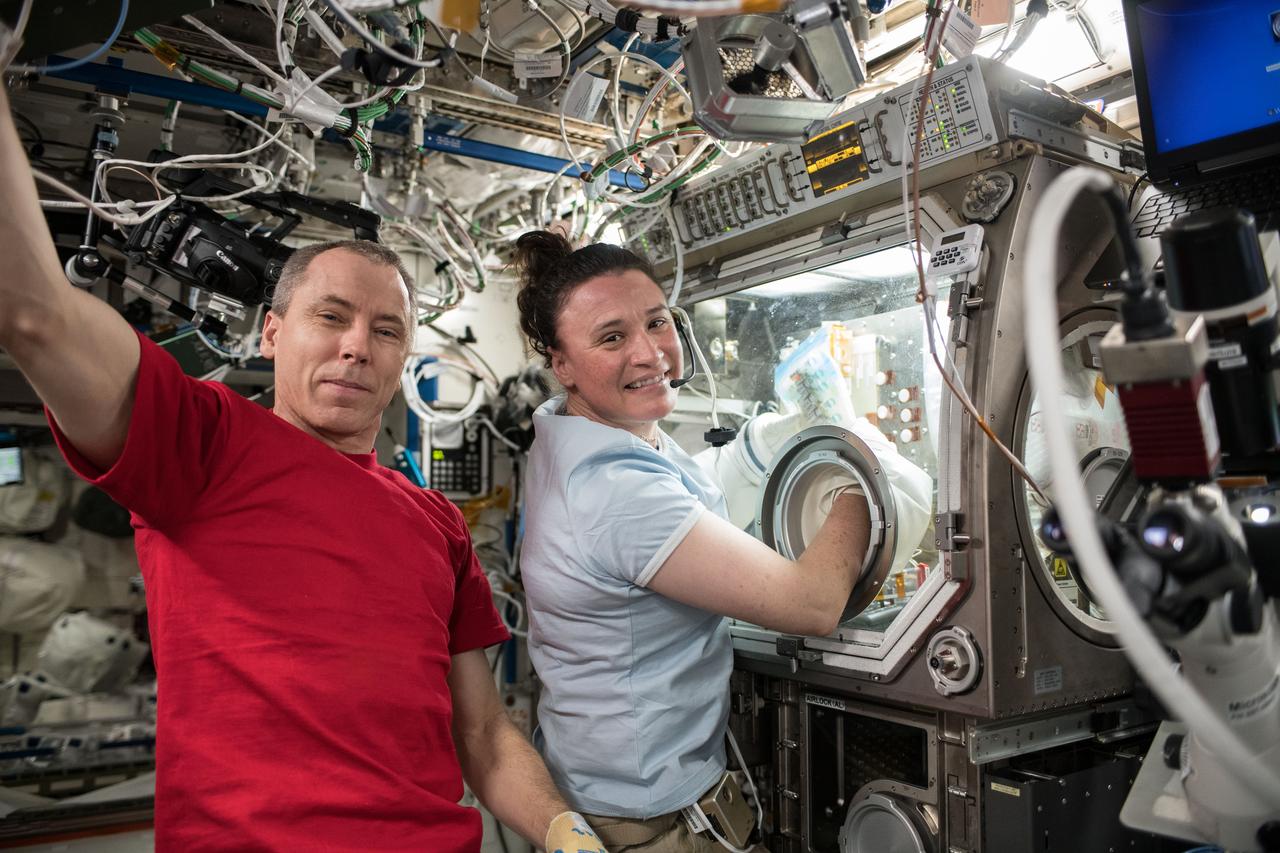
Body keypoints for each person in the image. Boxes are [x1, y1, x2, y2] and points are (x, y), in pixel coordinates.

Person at [0, 89, 606, 853]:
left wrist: (563, 828)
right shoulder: (202, 445)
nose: (358, 345)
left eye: (386, 330)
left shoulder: (437, 524)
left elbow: (482, 732)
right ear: (271, 334)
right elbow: (34, 315)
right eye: (332, 316)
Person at [513, 230, 882, 852]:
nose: (650, 353)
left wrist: (770, 437)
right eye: (612, 337)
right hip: (645, 820)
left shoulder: (586, 433)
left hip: (599, 780)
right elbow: (811, 604)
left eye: (657, 322)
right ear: (562, 364)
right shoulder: (613, 491)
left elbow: (689, 495)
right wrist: (860, 473)